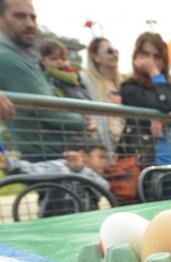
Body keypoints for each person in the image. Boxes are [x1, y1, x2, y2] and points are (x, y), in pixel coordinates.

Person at [0, 0, 85, 162]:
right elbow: (49, 110)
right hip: (45, 156)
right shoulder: (7, 58)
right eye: (19, 16)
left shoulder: (25, 56)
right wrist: (83, 120)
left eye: (33, 18)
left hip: (52, 153)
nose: (30, 24)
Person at [118, 31, 171, 199]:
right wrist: (154, 73)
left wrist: (161, 115)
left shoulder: (167, 88)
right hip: (145, 169)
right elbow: (165, 105)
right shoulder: (129, 87)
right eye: (145, 54)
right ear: (136, 56)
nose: (151, 61)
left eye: (157, 56)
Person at [0, 137, 110, 216]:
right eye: (101, 157)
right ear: (83, 155)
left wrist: (80, 170)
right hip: (55, 226)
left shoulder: (91, 173)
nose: (106, 162)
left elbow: (104, 187)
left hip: (86, 224)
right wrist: (9, 163)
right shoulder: (58, 166)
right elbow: (33, 170)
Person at [82, 37, 125, 153]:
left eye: (116, 51)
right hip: (100, 144)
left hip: (123, 145)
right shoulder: (85, 81)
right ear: (95, 57)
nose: (115, 55)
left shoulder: (122, 84)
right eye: (109, 51)